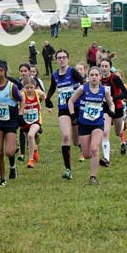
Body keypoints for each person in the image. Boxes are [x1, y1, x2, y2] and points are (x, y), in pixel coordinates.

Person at [69, 67, 116, 184]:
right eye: (91, 75)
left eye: (96, 75)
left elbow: (111, 103)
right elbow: (71, 101)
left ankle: (93, 177)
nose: (94, 77)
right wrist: (72, 115)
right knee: (86, 154)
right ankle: (94, 158)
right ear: (88, 77)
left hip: (98, 123)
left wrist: (111, 111)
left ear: (100, 77)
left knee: (94, 148)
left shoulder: (104, 90)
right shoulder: (82, 88)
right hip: (84, 124)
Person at [44, 50, 83, 180]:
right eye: (59, 58)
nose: (61, 60)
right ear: (56, 60)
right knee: (66, 135)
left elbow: (83, 83)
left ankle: (81, 146)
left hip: (76, 108)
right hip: (63, 109)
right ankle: (68, 169)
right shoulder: (55, 75)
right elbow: (52, 87)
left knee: (76, 140)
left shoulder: (72, 72)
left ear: (68, 59)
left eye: (64, 57)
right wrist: (48, 98)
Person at [98, 58, 127, 164]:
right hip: (105, 109)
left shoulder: (115, 78)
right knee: (105, 132)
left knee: (118, 132)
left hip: (117, 108)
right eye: (102, 66)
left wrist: (113, 97)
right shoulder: (98, 79)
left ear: (110, 67)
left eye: (106, 66)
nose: (104, 68)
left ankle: (123, 124)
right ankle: (106, 159)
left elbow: (126, 93)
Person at [19, 76, 44, 168]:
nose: (29, 90)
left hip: (36, 120)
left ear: (35, 86)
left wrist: (47, 105)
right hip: (25, 121)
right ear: (23, 87)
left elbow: (44, 96)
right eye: (27, 88)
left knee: (30, 135)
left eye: (31, 87)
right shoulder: (21, 95)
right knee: (29, 140)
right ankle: (35, 149)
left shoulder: (38, 93)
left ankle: (30, 160)